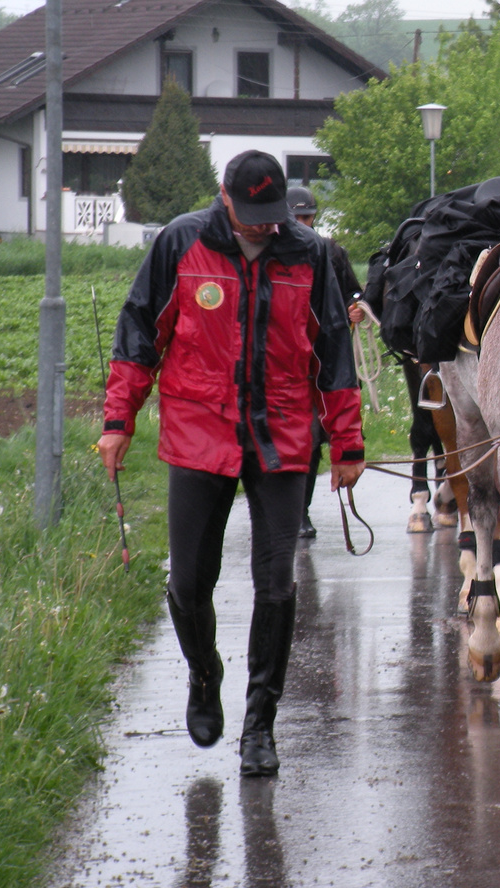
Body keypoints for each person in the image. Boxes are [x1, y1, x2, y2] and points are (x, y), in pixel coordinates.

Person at [97, 151, 365, 777]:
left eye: (273, 218)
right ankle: (203, 673)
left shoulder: (310, 254)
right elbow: (140, 330)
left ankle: (260, 725)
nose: (264, 228)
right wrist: (119, 419)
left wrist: (348, 444)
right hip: (199, 432)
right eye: (253, 217)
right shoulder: (180, 244)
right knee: (190, 583)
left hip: (282, 437)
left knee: (278, 585)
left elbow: (333, 351)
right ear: (226, 198)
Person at [286, 185, 364, 539]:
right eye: (297, 217)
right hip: (286, 356)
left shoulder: (331, 252)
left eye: (307, 216)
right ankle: (286, 512)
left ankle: (300, 513)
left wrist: (355, 306)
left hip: (323, 356)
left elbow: (353, 290)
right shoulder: (277, 252)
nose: (303, 222)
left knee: (314, 438)